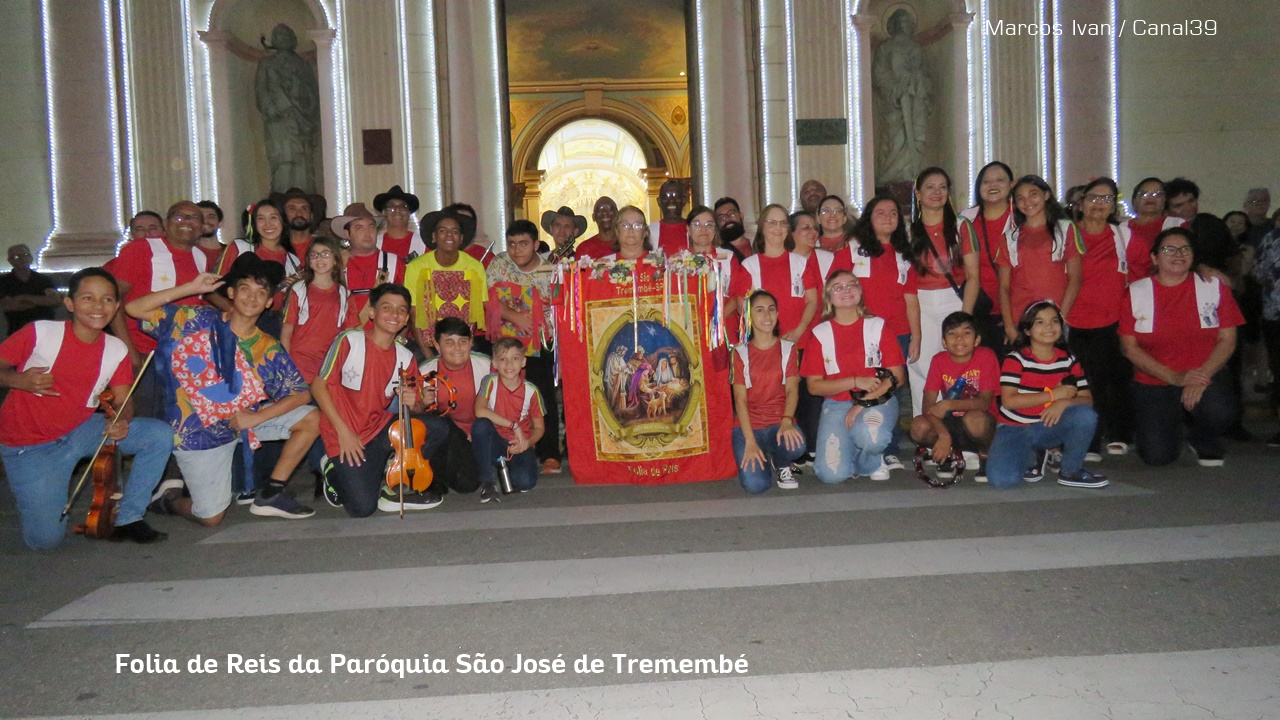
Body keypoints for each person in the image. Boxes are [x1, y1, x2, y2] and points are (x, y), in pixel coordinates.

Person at [126, 254, 320, 525]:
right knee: (211, 518)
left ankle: (272, 493)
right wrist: (191, 288)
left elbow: (301, 393)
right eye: (245, 289)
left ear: (268, 302)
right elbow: (134, 308)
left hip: (242, 422)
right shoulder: (195, 320)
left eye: (261, 292)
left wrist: (257, 417)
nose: (252, 298)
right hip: (196, 433)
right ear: (231, 293)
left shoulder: (267, 346)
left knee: (311, 418)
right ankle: (168, 500)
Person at [0, 268, 173, 549]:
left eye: (107, 299)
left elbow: (124, 401)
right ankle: (36, 502)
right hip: (28, 446)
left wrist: (121, 421)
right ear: (69, 304)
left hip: (79, 430)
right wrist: (19, 380)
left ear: (116, 307)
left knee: (158, 435)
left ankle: (128, 517)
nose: (98, 306)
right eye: (87, 298)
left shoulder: (116, 349)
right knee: (45, 541)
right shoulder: (39, 332)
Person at [312, 284, 449, 516]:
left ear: (406, 319)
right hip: (343, 433)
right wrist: (344, 433)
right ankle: (331, 468)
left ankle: (394, 481)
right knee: (362, 509)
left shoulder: (405, 357)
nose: (394, 314)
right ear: (372, 312)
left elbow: (415, 407)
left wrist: (416, 403)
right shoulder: (349, 340)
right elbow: (318, 386)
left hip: (379, 429)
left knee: (437, 427)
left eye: (401, 310)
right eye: (387, 307)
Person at [1122, 228, 1244, 466]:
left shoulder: (1213, 287)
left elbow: (1227, 340)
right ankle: (1170, 424)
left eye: (1185, 249)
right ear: (1155, 257)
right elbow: (1130, 348)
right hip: (1156, 379)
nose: (1178, 254)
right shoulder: (1136, 292)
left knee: (1221, 411)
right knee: (1158, 457)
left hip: (1204, 373)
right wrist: (1176, 378)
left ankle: (1202, 438)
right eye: (1169, 249)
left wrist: (1201, 376)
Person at [831, 195, 921, 470]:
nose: (887, 217)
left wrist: (916, 336)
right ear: (869, 218)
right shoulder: (852, 250)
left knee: (893, 389)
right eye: (880, 212)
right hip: (861, 334)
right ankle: (859, 442)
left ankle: (889, 449)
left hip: (898, 334)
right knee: (865, 385)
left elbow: (911, 299)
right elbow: (834, 288)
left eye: (893, 213)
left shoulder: (904, 256)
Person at [105, 201, 215, 418]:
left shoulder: (200, 256)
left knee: (175, 419)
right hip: (142, 351)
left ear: (202, 227)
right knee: (140, 420)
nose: (186, 221)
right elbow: (113, 298)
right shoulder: (142, 248)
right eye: (179, 216)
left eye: (194, 217)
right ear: (166, 224)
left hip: (181, 356)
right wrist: (129, 351)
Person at [987, 301, 1106, 489]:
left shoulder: (1069, 360)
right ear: (1027, 330)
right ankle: (1033, 456)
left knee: (1085, 415)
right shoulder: (1015, 359)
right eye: (1040, 322)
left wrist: (1063, 403)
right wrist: (1053, 395)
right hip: (1014, 428)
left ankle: (1071, 471)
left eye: (1054, 321)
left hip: (1047, 426)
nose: (1049, 327)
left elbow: (1087, 400)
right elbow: (1009, 401)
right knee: (1002, 481)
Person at [802, 271, 906, 482]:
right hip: (837, 404)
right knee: (830, 475)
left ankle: (872, 460)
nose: (846, 290)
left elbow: (897, 377)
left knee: (870, 435)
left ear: (860, 291)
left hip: (877, 399)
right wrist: (855, 381)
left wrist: (861, 403)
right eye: (838, 287)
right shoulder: (820, 334)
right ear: (829, 297)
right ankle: (854, 451)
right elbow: (814, 386)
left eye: (852, 285)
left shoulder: (878, 326)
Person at [900, 167, 981, 416]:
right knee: (920, 366)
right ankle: (926, 426)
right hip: (919, 303)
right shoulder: (907, 230)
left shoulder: (961, 226)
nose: (937, 192)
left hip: (954, 300)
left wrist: (965, 317)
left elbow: (973, 276)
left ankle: (961, 428)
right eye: (930, 187)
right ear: (918, 193)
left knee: (959, 365)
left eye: (942, 187)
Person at [1066, 177, 1136, 458]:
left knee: (1116, 380)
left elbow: (1152, 263)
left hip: (1115, 320)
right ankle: (1089, 439)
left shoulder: (1123, 235)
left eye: (1106, 199)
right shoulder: (1065, 233)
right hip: (1074, 321)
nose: (1099, 204)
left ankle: (1118, 433)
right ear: (1080, 203)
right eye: (1093, 197)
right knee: (1083, 383)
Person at [486, 220, 561, 474]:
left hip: (542, 343)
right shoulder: (499, 263)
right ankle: (504, 452)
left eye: (523, 244)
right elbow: (487, 299)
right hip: (506, 344)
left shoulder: (551, 269)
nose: (516, 250)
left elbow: (561, 304)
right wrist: (515, 316)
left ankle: (549, 454)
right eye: (512, 244)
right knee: (502, 396)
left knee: (541, 396)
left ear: (536, 245)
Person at [731, 290, 806, 493]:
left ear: (777, 314)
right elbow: (740, 401)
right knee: (756, 486)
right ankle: (762, 454)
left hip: (778, 423)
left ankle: (781, 463)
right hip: (749, 427)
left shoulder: (788, 349)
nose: (767, 315)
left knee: (796, 446)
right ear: (749, 316)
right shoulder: (739, 353)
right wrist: (750, 441)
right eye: (760, 310)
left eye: (771, 309)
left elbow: (792, 391)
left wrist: (787, 421)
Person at [910, 311, 999, 478]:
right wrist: (943, 435)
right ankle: (949, 453)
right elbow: (928, 406)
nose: (959, 339)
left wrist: (949, 404)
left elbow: (985, 402)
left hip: (980, 422)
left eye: (966, 333)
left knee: (974, 419)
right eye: (952, 334)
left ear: (977, 340)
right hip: (952, 421)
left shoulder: (986, 356)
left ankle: (986, 454)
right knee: (918, 426)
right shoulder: (939, 360)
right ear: (944, 342)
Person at [996, 175, 1083, 342]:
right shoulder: (1010, 238)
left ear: (1046, 195)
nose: (1027, 201)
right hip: (1021, 321)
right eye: (1020, 198)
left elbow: (1075, 279)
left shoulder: (1065, 229)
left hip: (1056, 320)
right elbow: (1004, 287)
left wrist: (1060, 318)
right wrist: (1009, 327)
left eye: (1033, 194)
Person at [729, 204, 821, 343]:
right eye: (772, 223)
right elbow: (742, 306)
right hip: (763, 345)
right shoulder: (749, 266)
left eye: (783, 223)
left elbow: (812, 302)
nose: (778, 228)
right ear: (762, 226)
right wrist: (764, 337)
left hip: (798, 341)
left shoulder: (801, 264)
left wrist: (798, 331)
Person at [419, 317, 487, 499]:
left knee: (469, 484)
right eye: (449, 342)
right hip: (447, 437)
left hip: (480, 434)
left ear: (471, 343)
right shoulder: (424, 372)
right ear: (437, 345)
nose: (457, 348)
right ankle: (433, 476)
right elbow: (412, 416)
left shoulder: (488, 366)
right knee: (437, 422)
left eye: (462, 342)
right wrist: (421, 403)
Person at [472, 337, 546, 498]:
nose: (509, 364)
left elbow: (539, 428)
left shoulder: (532, 391)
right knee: (481, 425)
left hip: (519, 442)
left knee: (525, 483)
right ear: (495, 363)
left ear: (523, 362)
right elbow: (479, 410)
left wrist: (527, 443)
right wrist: (514, 425)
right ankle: (488, 482)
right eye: (503, 359)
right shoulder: (489, 382)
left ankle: (506, 468)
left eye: (515, 359)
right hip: (495, 441)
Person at [406, 207, 487, 350]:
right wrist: (428, 355)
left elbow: (474, 314)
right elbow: (413, 314)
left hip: (462, 344)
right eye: (443, 230)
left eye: (455, 231)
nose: (449, 235)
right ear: (434, 236)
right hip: (425, 344)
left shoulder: (475, 267)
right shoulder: (416, 267)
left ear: (461, 238)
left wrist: (463, 348)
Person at [281, 236, 357, 383]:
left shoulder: (344, 294)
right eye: (314, 254)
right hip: (299, 362)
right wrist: (285, 363)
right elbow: (287, 330)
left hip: (328, 364)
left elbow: (349, 333)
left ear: (336, 260)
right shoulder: (298, 290)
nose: (319, 258)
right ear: (309, 261)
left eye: (325, 254)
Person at [959, 161, 1015, 350]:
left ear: (1011, 185)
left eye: (1000, 180)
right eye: (986, 181)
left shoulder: (1022, 218)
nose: (993, 185)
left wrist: (1013, 316)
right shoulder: (966, 219)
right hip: (976, 308)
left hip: (1014, 310)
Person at [333, 202, 404, 320]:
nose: (367, 233)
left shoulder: (395, 263)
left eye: (371, 227)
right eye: (359, 228)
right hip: (344, 331)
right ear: (347, 234)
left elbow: (404, 306)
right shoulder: (334, 264)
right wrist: (338, 270)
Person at [1125, 178, 1186, 283]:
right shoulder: (1121, 229)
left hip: (1167, 284)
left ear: (1164, 201)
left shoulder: (1177, 224)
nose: (1150, 198)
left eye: (1157, 194)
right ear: (1134, 201)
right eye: (1144, 194)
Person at [0, 244, 59, 337]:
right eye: (17, 257)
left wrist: (23, 297)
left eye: (25, 255)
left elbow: (54, 300)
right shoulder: (3, 281)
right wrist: (41, 301)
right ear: (10, 261)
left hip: (46, 330)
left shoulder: (44, 279)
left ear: (31, 258)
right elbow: (9, 305)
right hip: (18, 331)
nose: (22, 259)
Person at [373, 185, 427, 261]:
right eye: (391, 207)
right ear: (384, 212)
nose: (397, 210)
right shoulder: (374, 244)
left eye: (403, 207)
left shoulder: (423, 244)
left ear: (409, 212)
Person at [651, 180, 688, 254]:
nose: (671, 200)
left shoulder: (694, 229)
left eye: (676, 196)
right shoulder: (649, 232)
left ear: (684, 200)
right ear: (659, 201)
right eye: (666, 196)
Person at [195, 201, 226, 268]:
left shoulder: (230, 252)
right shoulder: (189, 252)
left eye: (211, 217)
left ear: (220, 223)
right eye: (200, 217)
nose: (205, 221)